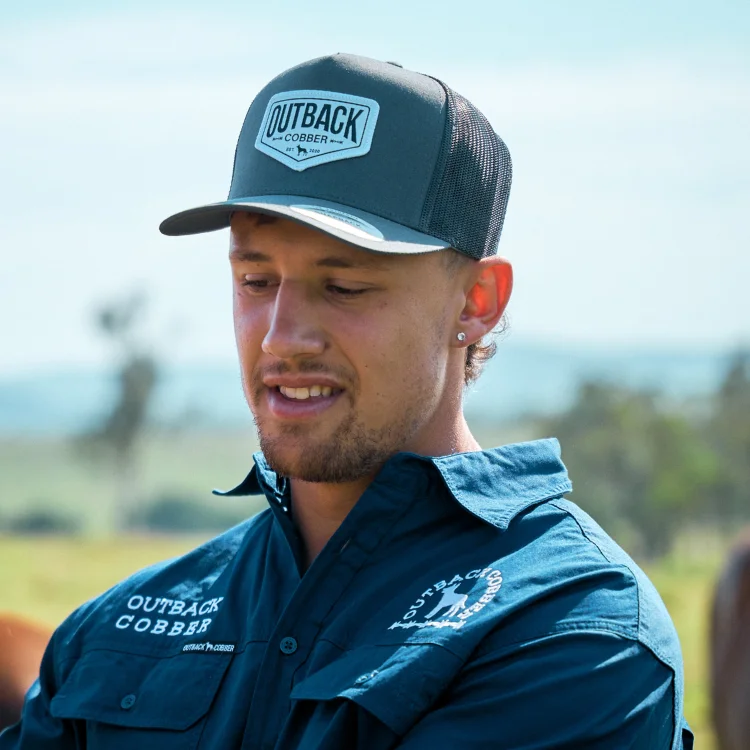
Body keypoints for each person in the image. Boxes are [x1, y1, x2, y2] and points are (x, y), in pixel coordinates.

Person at [1, 54, 693, 749]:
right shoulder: (112, 630)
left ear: (476, 303)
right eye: (255, 280)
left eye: (346, 287)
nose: (282, 338)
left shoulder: (570, 630)